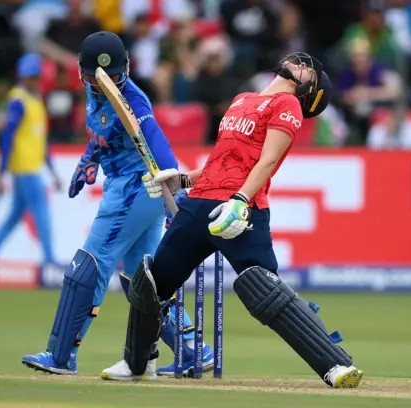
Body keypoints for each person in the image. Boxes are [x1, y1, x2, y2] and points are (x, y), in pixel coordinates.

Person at [101, 52, 364, 388]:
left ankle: (335, 365)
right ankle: (137, 363)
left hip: (239, 209)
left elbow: (268, 161)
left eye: (309, 72)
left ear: (308, 92)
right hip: (198, 204)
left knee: (264, 289)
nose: (302, 64)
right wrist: (180, 180)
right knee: (150, 283)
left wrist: (240, 201)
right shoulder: (243, 99)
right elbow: (219, 160)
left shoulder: (288, 105)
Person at [21, 32, 214, 378]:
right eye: (98, 79)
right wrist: (87, 161)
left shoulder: (133, 97)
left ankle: (62, 355)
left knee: (89, 265)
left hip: (138, 187)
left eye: (112, 79)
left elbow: (151, 132)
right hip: (123, 185)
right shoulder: (95, 86)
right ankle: (191, 349)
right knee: (142, 277)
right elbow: (101, 131)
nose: (105, 85)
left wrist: (171, 172)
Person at [0, 54, 62, 264]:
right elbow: (8, 136)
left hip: (32, 166)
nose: (33, 80)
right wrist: (1, 171)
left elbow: (41, 140)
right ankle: (49, 260)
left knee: (14, 217)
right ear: (22, 77)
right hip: (25, 168)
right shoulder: (18, 100)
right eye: (29, 77)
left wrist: (53, 171)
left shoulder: (36, 100)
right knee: (42, 214)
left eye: (35, 76)